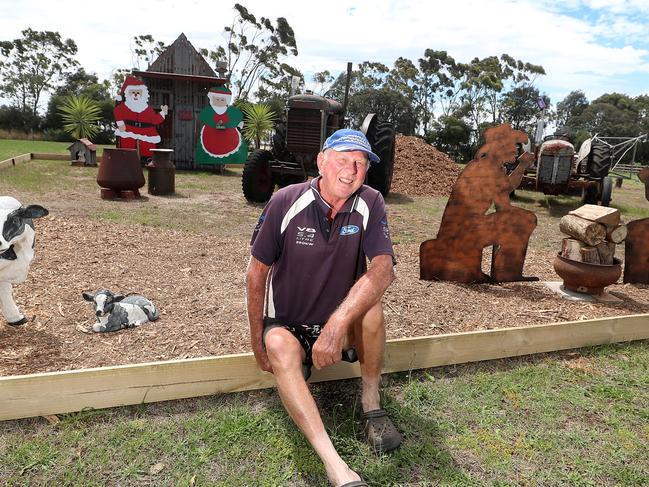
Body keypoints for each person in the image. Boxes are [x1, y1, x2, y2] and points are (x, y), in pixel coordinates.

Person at [246, 129, 402, 487]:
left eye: (360, 163)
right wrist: (257, 340)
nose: (351, 170)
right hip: (290, 323)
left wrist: (336, 326)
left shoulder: (370, 201)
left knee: (373, 310)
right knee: (278, 345)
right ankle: (336, 467)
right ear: (322, 161)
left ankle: (371, 405)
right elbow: (257, 274)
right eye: (344, 159)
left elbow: (383, 269)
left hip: (338, 324)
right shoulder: (286, 200)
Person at [113, 76, 168, 158]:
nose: (135, 95)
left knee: (147, 148)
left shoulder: (147, 109)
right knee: (127, 149)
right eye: (133, 93)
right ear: (128, 94)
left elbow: (154, 120)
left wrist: (163, 113)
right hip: (129, 129)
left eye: (138, 93)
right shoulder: (124, 106)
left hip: (146, 132)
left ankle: (145, 160)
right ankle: (127, 160)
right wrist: (121, 124)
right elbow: (117, 112)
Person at [195, 85, 248, 166]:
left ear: (226, 100)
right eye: (217, 99)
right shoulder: (209, 111)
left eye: (222, 99)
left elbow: (235, 118)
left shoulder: (230, 111)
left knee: (227, 144)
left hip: (227, 134)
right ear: (212, 100)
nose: (219, 101)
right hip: (211, 133)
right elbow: (204, 117)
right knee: (212, 144)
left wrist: (237, 123)